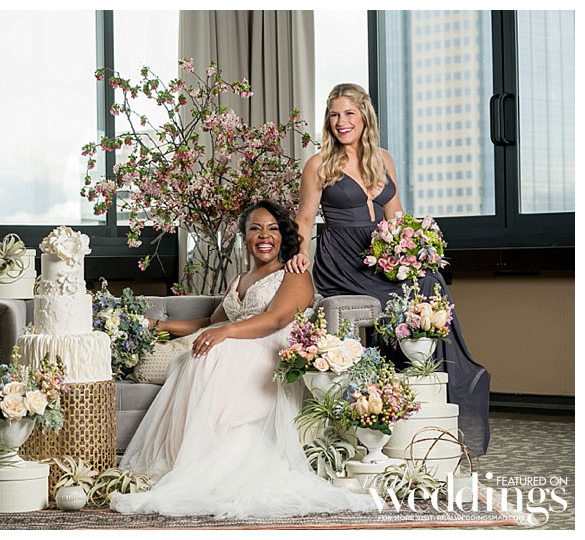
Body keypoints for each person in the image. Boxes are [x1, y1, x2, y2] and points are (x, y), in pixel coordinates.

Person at [110, 200, 378, 518]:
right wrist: (160, 325)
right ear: (244, 236)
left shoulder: (294, 272)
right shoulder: (240, 278)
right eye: (255, 228)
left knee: (215, 351)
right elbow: (209, 323)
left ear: (284, 235)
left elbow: (277, 319)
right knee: (194, 356)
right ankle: (191, 459)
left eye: (273, 228)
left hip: (270, 355)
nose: (264, 235)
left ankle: (204, 458)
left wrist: (225, 333)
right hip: (237, 349)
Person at [285, 83, 490, 456]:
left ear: (364, 116)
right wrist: (299, 253)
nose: (341, 122)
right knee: (406, 294)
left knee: (428, 281)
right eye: (334, 115)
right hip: (343, 260)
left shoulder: (383, 159)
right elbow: (304, 218)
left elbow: (395, 216)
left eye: (349, 113)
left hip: (379, 255)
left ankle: (428, 382)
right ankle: (397, 382)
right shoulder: (319, 163)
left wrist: (410, 252)